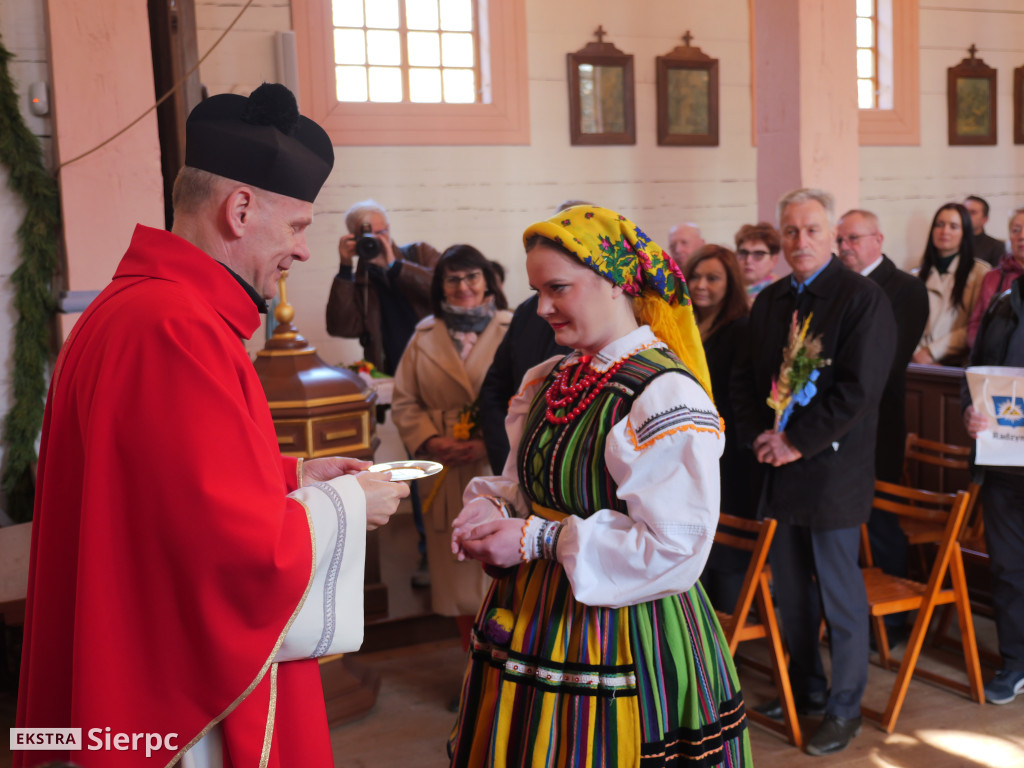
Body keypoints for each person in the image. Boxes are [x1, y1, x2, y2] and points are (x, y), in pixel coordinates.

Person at [14, 84, 409, 768]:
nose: (305, 251)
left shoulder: (134, 308)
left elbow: (157, 495)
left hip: (130, 666)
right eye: (296, 227)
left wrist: (291, 478)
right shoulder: (175, 327)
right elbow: (225, 549)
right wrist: (349, 504)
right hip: (169, 706)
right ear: (241, 208)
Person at [447, 206, 752, 767]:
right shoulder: (551, 378)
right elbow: (521, 483)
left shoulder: (664, 397)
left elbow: (674, 547)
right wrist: (491, 507)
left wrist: (535, 540)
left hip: (622, 629)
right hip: (532, 616)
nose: (542, 308)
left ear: (615, 282)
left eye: (557, 288)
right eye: (538, 290)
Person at [732, 188, 896, 756]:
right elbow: (746, 380)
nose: (801, 241)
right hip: (777, 469)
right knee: (793, 599)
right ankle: (807, 689)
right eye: (791, 232)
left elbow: (859, 390)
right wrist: (760, 434)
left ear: (833, 237)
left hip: (831, 473)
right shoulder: (772, 300)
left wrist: (795, 442)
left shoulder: (862, 298)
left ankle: (845, 708)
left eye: (812, 230)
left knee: (839, 596)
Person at [391, 245, 511, 655]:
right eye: (453, 278)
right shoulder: (425, 335)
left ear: (488, 280)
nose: (463, 287)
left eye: (471, 277)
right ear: (440, 285)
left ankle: (507, 671)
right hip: (444, 467)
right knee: (460, 576)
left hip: (497, 462)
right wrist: (429, 440)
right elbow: (404, 400)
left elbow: (534, 398)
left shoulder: (512, 330)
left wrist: (487, 441)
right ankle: (471, 669)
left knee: (503, 568)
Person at [836, 209, 929, 643]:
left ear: (878, 239)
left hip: (881, 421)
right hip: (840, 423)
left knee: (882, 519)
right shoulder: (839, 284)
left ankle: (891, 621)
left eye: (853, 239)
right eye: (841, 240)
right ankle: (854, 612)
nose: (845, 247)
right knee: (847, 521)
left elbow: (886, 364)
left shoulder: (906, 289)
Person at [684, 244, 758, 612]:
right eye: (695, 276)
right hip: (689, 449)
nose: (700, 285)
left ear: (731, 284)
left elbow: (739, 395)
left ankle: (729, 650)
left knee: (724, 554)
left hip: (727, 454)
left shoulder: (742, 328)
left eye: (712, 278)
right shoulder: (683, 325)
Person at [963, 275, 1024, 706]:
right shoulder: (1003, 303)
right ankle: (1016, 663)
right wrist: (970, 412)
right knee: (1008, 570)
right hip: (1004, 465)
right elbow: (973, 374)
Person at [325, 199, 440, 375]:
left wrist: (395, 267)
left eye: (380, 232)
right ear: (354, 239)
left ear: (389, 228)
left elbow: (443, 291)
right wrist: (345, 267)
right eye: (367, 236)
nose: (375, 240)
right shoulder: (360, 284)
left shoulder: (420, 254)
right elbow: (340, 327)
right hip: (392, 376)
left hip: (437, 366)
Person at [912, 202, 990, 366]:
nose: (945, 231)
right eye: (940, 225)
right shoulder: (916, 275)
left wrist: (931, 352)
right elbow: (907, 322)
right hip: (916, 362)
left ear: (964, 233)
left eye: (953, 226)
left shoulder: (980, 272)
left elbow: (976, 324)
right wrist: (917, 354)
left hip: (954, 365)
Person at [968, 207, 1024, 347]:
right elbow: (976, 324)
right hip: (995, 362)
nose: (1021, 236)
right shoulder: (992, 277)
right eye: (1016, 230)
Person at [734, 221, 781, 305]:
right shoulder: (727, 289)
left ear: (774, 261)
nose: (748, 260)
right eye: (743, 253)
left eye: (759, 254)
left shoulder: (780, 295)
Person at [964, 194, 1006, 267]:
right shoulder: (950, 241)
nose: (966, 215)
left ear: (985, 219)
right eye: (964, 211)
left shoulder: (996, 247)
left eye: (973, 212)